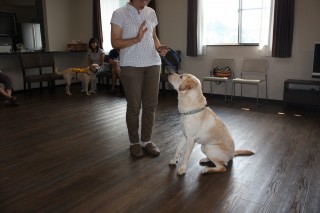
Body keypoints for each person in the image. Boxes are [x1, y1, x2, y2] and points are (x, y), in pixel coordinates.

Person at [111, 0, 169, 157]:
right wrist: (136, 39)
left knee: (150, 105)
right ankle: (134, 142)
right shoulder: (119, 13)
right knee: (134, 106)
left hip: (153, 63)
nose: (145, 2)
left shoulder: (151, 12)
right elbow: (115, 42)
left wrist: (159, 48)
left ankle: (146, 141)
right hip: (131, 64)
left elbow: (154, 35)